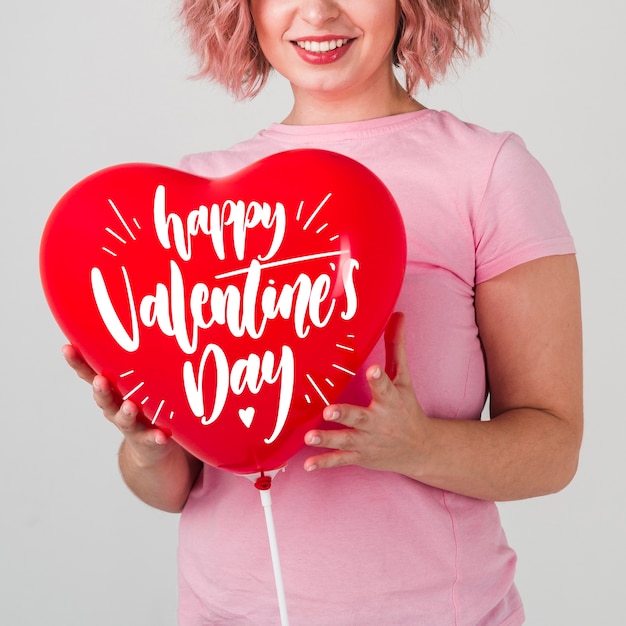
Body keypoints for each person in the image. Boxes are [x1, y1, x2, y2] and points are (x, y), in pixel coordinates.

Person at [63, 1, 583, 623]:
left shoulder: (488, 172)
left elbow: (554, 448)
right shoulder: (193, 194)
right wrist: (146, 448)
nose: (317, 12)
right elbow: (178, 488)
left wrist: (415, 446)